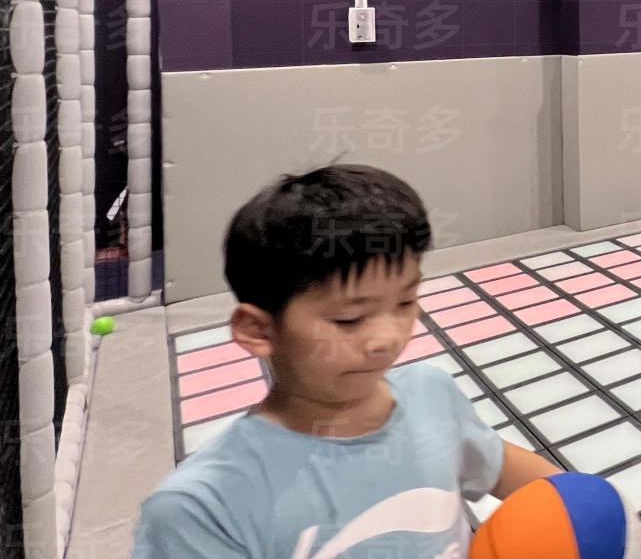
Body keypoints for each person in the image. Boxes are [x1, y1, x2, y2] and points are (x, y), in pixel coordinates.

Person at [131, 165, 571, 559]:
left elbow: (501, 467)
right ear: (258, 330)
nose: (387, 339)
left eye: (405, 302)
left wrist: (588, 508)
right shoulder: (202, 508)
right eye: (349, 319)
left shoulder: (431, 393)